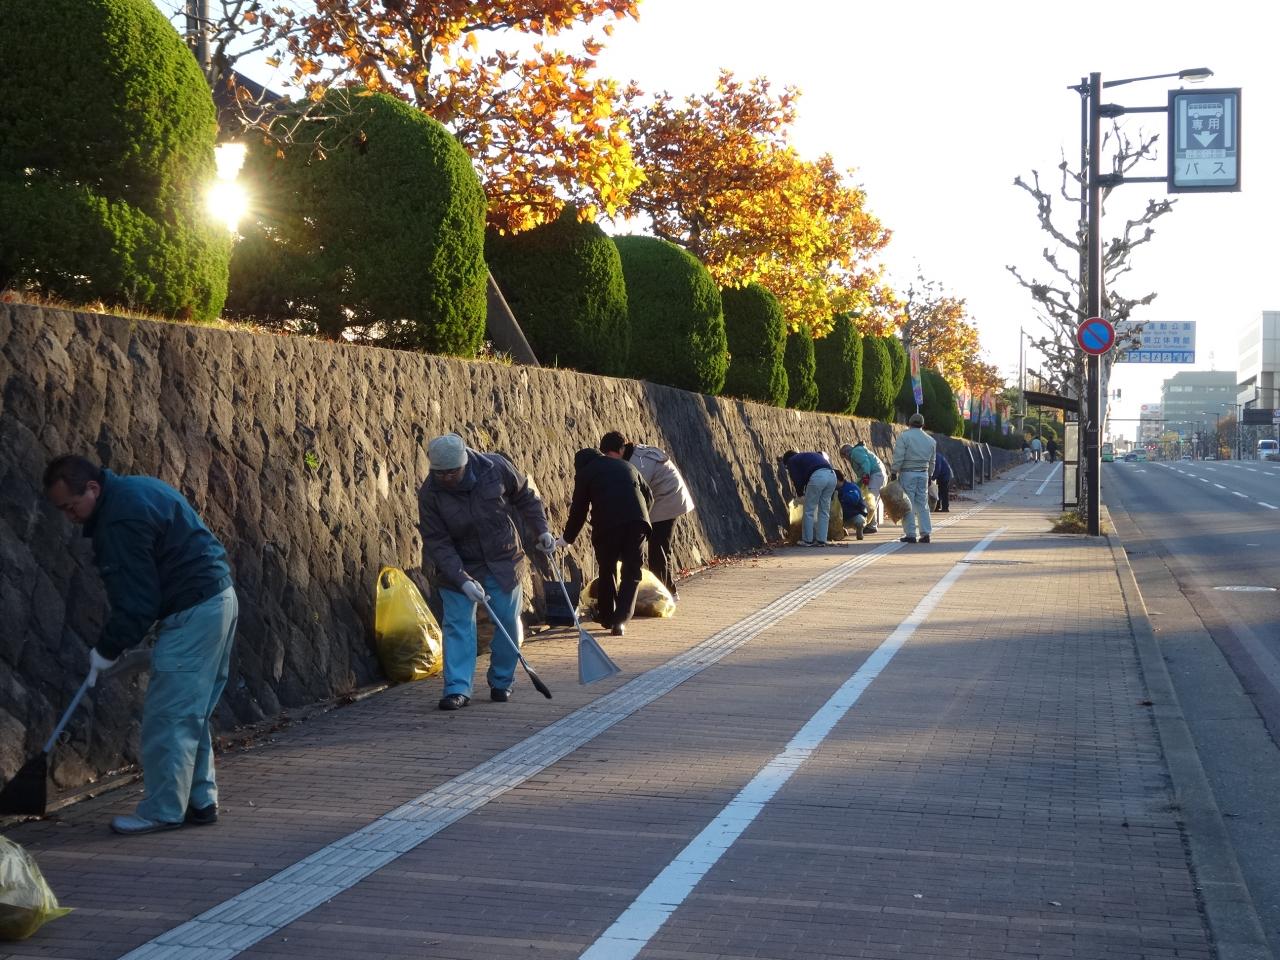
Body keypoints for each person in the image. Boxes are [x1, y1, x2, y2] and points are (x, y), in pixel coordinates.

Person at [42, 455, 238, 836]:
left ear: (93, 489)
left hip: (193, 610)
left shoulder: (119, 520)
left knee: (168, 718)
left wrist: (106, 650)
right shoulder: (135, 489)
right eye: (62, 510)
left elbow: (137, 603)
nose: (70, 517)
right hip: (216, 599)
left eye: (71, 506)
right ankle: (200, 801)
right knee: (189, 715)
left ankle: (163, 810)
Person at [418, 433, 555, 711]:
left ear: (465, 462)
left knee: (506, 622)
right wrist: (462, 579)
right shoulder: (430, 493)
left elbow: (525, 497)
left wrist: (541, 530)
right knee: (457, 625)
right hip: (458, 565)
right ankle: (457, 688)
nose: (445, 478)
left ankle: (502, 680)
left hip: (503, 559)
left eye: (452, 472)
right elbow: (437, 541)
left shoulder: (495, 468)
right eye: (439, 473)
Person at [561, 447, 653, 637]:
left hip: (607, 525)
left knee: (607, 568)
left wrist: (567, 538)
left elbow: (579, 510)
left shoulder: (586, 473)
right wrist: (640, 516)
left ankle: (607, 616)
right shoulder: (626, 465)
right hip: (637, 522)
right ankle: (620, 621)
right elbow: (648, 496)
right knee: (631, 572)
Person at [600, 432, 695, 602]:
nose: (609, 460)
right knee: (662, 548)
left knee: (658, 548)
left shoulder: (638, 465)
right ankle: (669, 590)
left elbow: (637, 496)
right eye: (605, 456)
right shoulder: (631, 456)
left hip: (668, 499)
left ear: (621, 449)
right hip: (661, 497)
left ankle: (663, 596)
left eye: (610, 455)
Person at [891, 413, 937, 544]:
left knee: (908, 503)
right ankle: (926, 533)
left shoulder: (904, 437)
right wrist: (930, 475)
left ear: (909, 423)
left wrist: (894, 472)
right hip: (923, 473)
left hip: (907, 473)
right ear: (923, 424)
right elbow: (932, 461)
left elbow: (899, 456)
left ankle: (910, 534)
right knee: (923, 504)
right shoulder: (931, 440)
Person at [782, 449, 837, 546]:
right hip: (832, 476)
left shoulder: (792, 460)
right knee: (824, 511)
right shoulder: (808, 456)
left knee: (809, 510)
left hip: (818, 477)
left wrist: (800, 494)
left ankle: (807, 540)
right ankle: (822, 540)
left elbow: (796, 478)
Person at [840, 441, 886, 534]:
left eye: (844, 457)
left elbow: (865, 463)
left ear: (846, 453)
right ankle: (871, 525)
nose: (846, 459)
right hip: (877, 475)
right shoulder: (858, 450)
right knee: (871, 501)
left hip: (874, 475)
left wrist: (866, 475)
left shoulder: (855, 452)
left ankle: (871, 526)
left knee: (869, 501)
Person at [835, 471, 868, 540]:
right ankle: (841, 530)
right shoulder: (831, 489)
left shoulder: (851, 487)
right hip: (838, 518)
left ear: (837, 480)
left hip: (852, 516)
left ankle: (859, 532)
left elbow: (854, 499)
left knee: (860, 521)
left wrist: (842, 496)